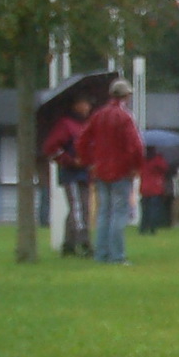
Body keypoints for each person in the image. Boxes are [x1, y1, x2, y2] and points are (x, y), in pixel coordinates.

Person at [77, 80, 144, 265]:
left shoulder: (98, 115)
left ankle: (101, 254)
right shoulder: (125, 116)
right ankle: (117, 255)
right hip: (121, 171)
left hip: (100, 170)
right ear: (126, 96)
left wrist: (88, 161)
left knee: (103, 213)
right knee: (119, 213)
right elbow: (136, 146)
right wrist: (136, 167)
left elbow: (82, 139)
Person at [42, 96, 93, 257]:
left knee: (82, 208)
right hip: (71, 173)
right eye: (84, 102)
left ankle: (69, 245)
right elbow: (51, 148)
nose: (87, 106)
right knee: (78, 208)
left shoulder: (86, 125)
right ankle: (83, 242)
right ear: (75, 105)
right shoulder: (65, 125)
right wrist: (70, 161)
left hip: (85, 172)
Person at [138, 147, 170, 234]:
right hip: (156, 187)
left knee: (145, 209)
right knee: (154, 209)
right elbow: (165, 168)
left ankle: (143, 227)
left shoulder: (142, 159)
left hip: (144, 187)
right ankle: (153, 228)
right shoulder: (158, 159)